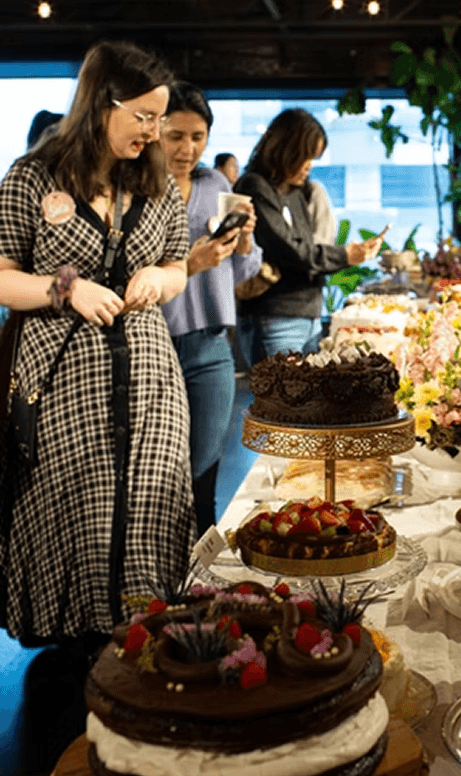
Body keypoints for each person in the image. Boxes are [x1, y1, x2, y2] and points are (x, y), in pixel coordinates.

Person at [0, 39, 194, 770]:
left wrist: (160, 280)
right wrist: (63, 289)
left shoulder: (158, 185)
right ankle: (79, 668)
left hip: (149, 377)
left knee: (146, 501)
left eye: (160, 119)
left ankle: (138, 655)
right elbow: (0, 274)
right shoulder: (33, 176)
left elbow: (178, 264)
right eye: (143, 117)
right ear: (102, 102)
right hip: (62, 381)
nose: (153, 133)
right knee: (75, 505)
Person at [158, 82, 261, 536]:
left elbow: (242, 273)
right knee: (161, 470)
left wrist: (246, 239)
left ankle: (201, 576)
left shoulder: (214, 183)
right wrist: (190, 263)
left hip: (210, 349)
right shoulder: (136, 191)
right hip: (154, 346)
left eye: (198, 137)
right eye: (176, 135)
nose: (188, 148)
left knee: (205, 467)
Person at [234, 108, 382, 360]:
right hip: (277, 315)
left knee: (303, 396)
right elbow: (291, 250)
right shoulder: (255, 186)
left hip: (307, 313)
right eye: (306, 157)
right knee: (283, 397)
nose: (308, 166)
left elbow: (306, 249)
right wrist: (345, 255)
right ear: (286, 152)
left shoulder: (295, 190)